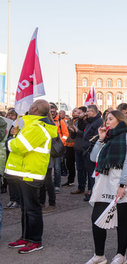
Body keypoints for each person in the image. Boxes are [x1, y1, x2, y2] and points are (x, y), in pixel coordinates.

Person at [85, 110, 127, 264]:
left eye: (110, 119)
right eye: (106, 119)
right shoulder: (107, 137)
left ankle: (121, 255)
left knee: (121, 220)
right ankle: (99, 255)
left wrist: (122, 184)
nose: (107, 122)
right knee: (96, 218)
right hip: (105, 182)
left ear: (120, 120)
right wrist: (101, 139)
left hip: (121, 181)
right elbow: (93, 157)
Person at [5, 100, 58, 253]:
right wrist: (16, 136)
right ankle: (26, 237)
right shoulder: (32, 125)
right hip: (24, 171)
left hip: (31, 173)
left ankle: (35, 240)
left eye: (31, 105)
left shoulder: (37, 127)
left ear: (34, 109)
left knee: (32, 208)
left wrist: (10, 141)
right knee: (25, 208)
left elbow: (21, 147)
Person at [82, 105, 103, 201]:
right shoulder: (90, 121)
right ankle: (91, 191)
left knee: (93, 174)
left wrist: (89, 148)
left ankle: (94, 194)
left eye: (89, 111)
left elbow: (95, 137)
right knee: (90, 174)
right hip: (87, 150)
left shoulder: (98, 122)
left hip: (92, 151)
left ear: (94, 112)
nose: (87, 113)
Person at [49, 103, 69, 193]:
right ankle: (48, 185)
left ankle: (57, 185)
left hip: (57, 149)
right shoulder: (45, 120)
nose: (52, 113)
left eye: (53, 111)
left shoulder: (60, 121)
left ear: (56, 110)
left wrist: (60, 143)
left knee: (57, 168)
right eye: (50, 111)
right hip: (47, 148)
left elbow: (66, 134)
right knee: (48, 169)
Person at [70, 107, 88, 195]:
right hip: (77, 147)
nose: (78, 114)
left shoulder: (88, 122)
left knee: (87, 169)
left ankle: (89, 189)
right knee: (79, 169)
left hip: (85, 148)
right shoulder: (76, 122)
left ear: (84, 113)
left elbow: (86, 135)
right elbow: (73, 136)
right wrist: (72, 131)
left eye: (80, 112)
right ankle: (80, 187)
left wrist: (77, 130)